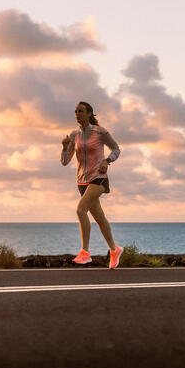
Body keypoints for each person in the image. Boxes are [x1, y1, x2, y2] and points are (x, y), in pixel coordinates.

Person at [60, 101, 123, 268]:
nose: (77, 114)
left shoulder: (100, 132)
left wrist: (107, 160)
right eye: (75, 111)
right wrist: (64, 147)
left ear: (89, 113)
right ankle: (114, 249)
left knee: (80, 210)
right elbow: (65, 162)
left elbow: (116, 149)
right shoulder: (74, 135)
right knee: (99, 218)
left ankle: (85, 252)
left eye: (80, 111)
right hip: (82, 181)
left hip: (98, 177)